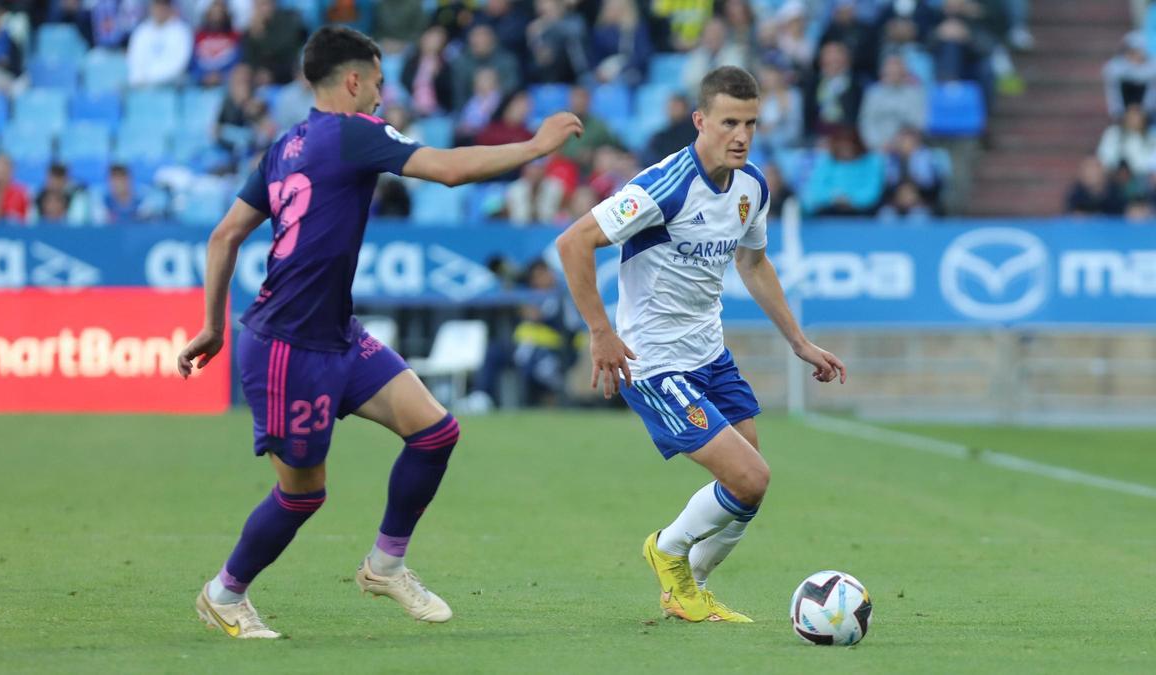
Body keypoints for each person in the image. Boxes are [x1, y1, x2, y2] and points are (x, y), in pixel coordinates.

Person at [177, 26, 583, 639]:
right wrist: (535, 145)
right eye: (378, 82)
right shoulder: (355, 132)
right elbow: (446, 170)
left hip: (336, 333)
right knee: (302, 495)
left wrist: (212, 324)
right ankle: (223, 593)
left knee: (435, 431)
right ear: (353, 80)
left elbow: (224, 234)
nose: (380, 96)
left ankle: (385, 565)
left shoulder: (285, 145)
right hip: (290, 344)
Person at [555, 66, 845, 623]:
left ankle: (689, 589)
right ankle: (666, 553)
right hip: (655, 362)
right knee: (750, 477)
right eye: (729, 122)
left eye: (751, 124)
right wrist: (601, 333)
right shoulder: (663, 186)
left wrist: (799, 342)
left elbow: (754, 263)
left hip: (708, 353)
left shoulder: (751, 186)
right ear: (700, 121)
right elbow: (574, 243)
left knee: (748, 484)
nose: (741, 135)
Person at [127, 0, 194, 87]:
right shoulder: (142, 30)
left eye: (163, 6)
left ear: (170, 8)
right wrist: (139, 79)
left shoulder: (182, 31)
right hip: (142, 85)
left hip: (169, 86)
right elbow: (134, 59)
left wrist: (152, 79)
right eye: (157, 5)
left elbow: (179, 64)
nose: (160, 9)